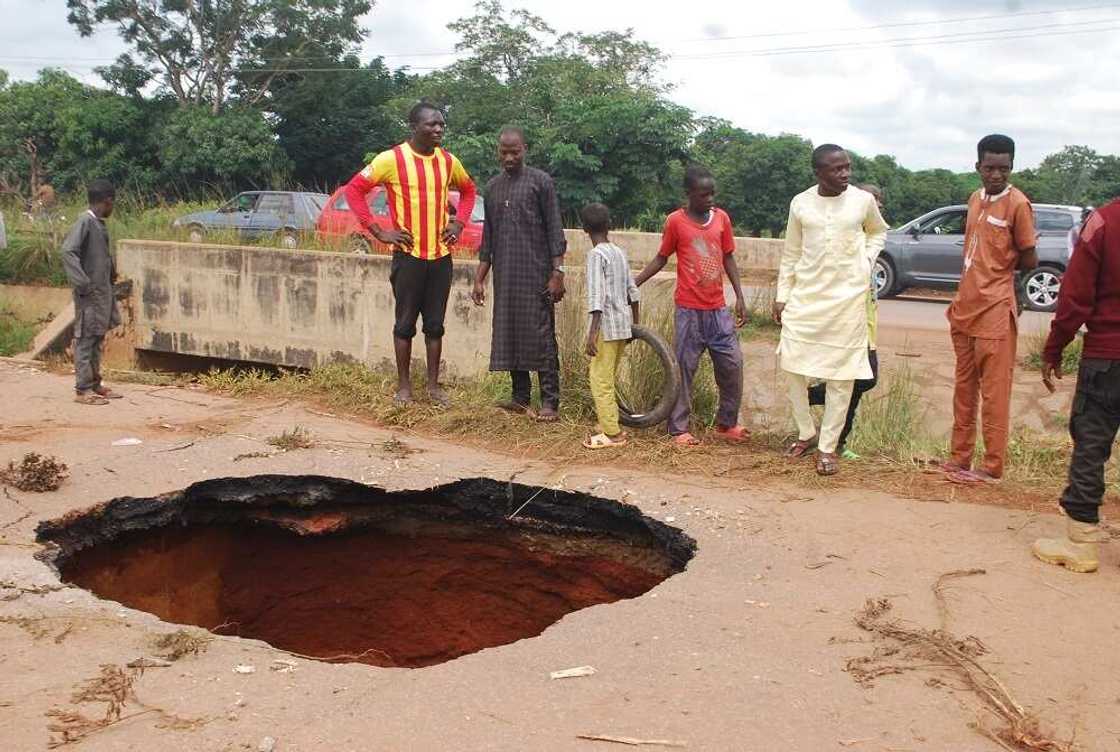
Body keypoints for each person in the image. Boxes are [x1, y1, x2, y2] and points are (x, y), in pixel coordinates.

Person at [342, 102, 477, 406]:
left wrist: (458, 222)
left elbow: (469, 191)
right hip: (408, 255)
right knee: (404, 325)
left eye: (442, 124)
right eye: (432, 124)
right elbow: (354, 190)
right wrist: (377, 231)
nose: (439, 129)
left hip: (441, 256)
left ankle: (433, 387)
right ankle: (404, 387)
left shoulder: (448, 161)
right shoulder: (391, 159)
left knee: (435, 325)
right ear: (414, 126)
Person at [774, 145, 889, 476]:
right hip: (806, 298)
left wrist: (866, 262)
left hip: (847, 300)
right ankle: (806, 432)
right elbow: (791, 253)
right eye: (837, 169)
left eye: (847, 167)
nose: (845, 174)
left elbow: (878, 231)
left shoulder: (862, 201)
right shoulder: (800, 203)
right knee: (792, 364)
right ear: (818, 173)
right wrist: (783, 294)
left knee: (841, 376)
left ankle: (827, 447)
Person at [942, 134, 1037, 484]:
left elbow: (1029, 256)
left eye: (1004, 168)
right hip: (964, 308)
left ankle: (992, 467)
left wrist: (1009, 285)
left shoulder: (1018, 204)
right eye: (989, 167)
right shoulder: (973, 199)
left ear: (1012, 167)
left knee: (994, 393)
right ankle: (959, 458)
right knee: (963, 389)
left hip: (995, 310)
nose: (996, 175)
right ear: (977, 166)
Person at [1033, 199, 1120, 572]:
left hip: (1107, 356)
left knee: (1091, 444)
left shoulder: (1104, 221)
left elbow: (1074, 298)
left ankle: (1080, 542)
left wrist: (1054, 348)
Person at [634, 165, 749, 447]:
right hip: (688, 310)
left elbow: (729, 258)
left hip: (718, 310)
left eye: (712, 194)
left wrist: (740, 296)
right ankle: (678, 428)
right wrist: (633, 283)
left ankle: (727, 423)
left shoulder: (722, 219)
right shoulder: (675, 222)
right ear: (689, 194)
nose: (709, 199)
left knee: (732, 365)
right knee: (683, 369)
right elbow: (661, 258)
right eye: (703, 194)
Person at [471, 127, 567, 421]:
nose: (509, 157)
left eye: (515, 151)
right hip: (506, 277)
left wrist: (557, 272)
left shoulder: (541, 182)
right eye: (504, 152)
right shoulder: (492, 187)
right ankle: (520, 398)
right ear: (498, 151)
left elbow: (554, 229)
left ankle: (550, 401)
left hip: (537, 275)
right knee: (511, 333)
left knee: (541, 337)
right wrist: (480, 277)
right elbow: (488, 237)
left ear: (525, 149)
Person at [806, 182, 885, 460]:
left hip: (867, 328)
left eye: (878, 203)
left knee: (858, 387)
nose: (876, 207)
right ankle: (815, 398)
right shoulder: (844, 241)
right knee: (861, 381)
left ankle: (837, 441)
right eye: (871, 201)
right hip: (845, 325)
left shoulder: (872, 243)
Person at [581, 203, 640, 449]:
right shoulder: (618, 252)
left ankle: (612, 434)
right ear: (609, 225)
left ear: (584, 229)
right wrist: (636, 324)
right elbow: (632, 291)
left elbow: (597, 296)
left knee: (600, 379)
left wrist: (592, 333)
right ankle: (609, 422)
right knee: (609, 376)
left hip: (605, 327)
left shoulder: (596, 255)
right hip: (622, 326)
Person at [61, 179, 122, 406]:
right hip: (90, 295)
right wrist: (82, 283)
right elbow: (68, 251)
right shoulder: (85, 222)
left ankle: (95, 383)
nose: (112, 207)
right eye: (112, 202)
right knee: (86, 339)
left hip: (101, 293)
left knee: (97, 337)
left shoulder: (97, 223)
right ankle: (83, 388)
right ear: (107, 201)